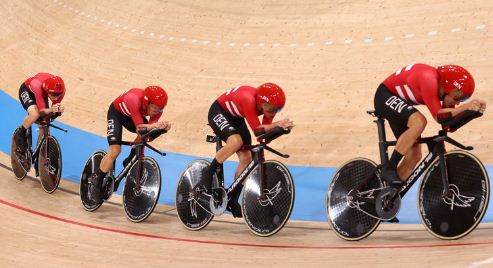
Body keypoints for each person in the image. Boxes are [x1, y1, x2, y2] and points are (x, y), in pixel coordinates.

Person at [374, 64, 487, 187]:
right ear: (448, 87)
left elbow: (447, 125)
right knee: (419, 121)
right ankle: (389, 168)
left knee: (414, 155)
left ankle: (388, 195)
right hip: (385, 95)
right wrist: (465, 107)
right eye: (458, 97)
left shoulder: (448, 93)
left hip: (400, 103)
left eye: (463, 99)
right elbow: (439, 116)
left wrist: (472, 114)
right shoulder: (428, 79)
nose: (458, 102)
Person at [198, 83, 294, 217]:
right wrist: (278, 124)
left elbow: (263, 137)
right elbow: (258, 131)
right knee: (236, 141)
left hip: (236, 117)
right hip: (219, 111)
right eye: (271, 108)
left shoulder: (267, 108)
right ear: (262, 102)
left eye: (276, 110)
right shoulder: (248, 99)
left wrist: (281, 131)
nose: (273, 112)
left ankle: (233, 199)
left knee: (247, 158)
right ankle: (207, 173)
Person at [89, 86, 171, 203]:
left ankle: (131, 158)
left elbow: (148, 133)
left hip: (132, 117)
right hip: (116, 114)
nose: (156, 111)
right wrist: (155, 126)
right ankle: (97, 181)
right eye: (154, 108)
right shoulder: (134, 99)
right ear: (146, 102)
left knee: (147, 133)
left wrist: (162, 129)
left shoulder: (158, 110)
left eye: (160, 109)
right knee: (115, 150)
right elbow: (139, 128)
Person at [16, 73, 66, 153]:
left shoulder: (61, 91)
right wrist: (52, 110)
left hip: (43, 94)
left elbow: (49, 116)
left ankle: (39, 153)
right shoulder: (37, 85)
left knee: (45, 124)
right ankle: (21, 135)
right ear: (47, 90)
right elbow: (41, 112)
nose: (56, 97)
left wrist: (57, 112)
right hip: (28, 91)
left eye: (58, 95)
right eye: (53, 95)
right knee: (35, 114)